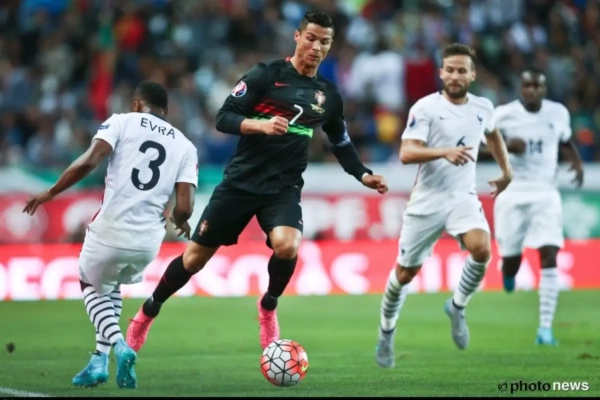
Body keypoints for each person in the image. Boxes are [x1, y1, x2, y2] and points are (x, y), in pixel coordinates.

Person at [126, 9, 388, 353]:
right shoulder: (266, 75)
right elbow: (224, 118)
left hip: (283, 188)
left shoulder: (328, 95)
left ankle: (268, 306)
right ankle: (147, 312)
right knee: (193, 261)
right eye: (310, 38)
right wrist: (261, 125)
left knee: (288, 245)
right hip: (240, 184)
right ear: (297, 37)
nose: (316, 47)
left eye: (324, 42)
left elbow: (340, 142)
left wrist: (363, 174)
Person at [23, 82, 198, 388]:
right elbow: (185, 206)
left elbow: (90, 160)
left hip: (112, 228)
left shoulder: (122, 121)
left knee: (89, 280)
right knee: (110, 283)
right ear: (165, 111)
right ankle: (99, 361)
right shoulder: (185, 145)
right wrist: (180, 220)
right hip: (148, 242)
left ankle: (119, 344)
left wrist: (52, 191)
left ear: (136, 104)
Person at [375, 43, 513, 368]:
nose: (454, 76)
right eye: (449, 70)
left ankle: (457, 306)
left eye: (461, 70)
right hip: (427, 201)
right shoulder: (425, 108)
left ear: (472, 75)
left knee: (482, 248)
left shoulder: (483, 107)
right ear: (441, 72)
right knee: (405, 274)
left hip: (462, 197)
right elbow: (406, 152)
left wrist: (507, 172)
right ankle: (386, 332)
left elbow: (493, 135)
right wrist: (444, 151)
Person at [491, 67, 584, 346]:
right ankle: (508, 272)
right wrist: (507, 147)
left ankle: (545, 329)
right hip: (512, 192)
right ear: (521, 88)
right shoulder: (503, 115)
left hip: (545, 192)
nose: (531, 90)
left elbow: (564, 140)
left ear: (544, 89)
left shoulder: (558, 113)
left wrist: (577, 162)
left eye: (537, 86)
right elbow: (479, 147)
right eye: (527, 86)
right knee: (512, 261)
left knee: (549, 254)